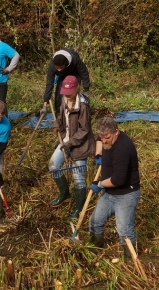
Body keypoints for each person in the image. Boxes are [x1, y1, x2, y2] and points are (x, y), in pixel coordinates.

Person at [88, 117, 141, 260]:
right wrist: (99, 154)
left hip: (126, 194)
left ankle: (131, 263)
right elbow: (99, 140)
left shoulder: (123, 148)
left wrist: (99, 184)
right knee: (95, 223)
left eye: (107, 138)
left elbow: (118, 180)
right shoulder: (105, 138)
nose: (104, 140)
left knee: (124, 231)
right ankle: (95, 255)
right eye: (102, 137)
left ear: (116, 132)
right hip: (109, 192)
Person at [47, 76, 96, 220]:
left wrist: (69, 144)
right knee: (53, 166)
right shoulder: (63, 99)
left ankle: (78, 209)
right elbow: (62, 118)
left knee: (78, 177)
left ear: (76, 89)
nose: (67, 94)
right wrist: (57, 123)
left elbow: (84, 130)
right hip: (65, 140)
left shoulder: (83, 106)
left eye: (69, 92)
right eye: (65, 92)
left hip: (80, 144)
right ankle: (65, 193)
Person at [40, 48, 91, 115]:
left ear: (65, 64)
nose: (58, 70)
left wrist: (86, 89)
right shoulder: (52, 65)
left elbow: (84, 73)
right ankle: (60, 116)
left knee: (72, 95)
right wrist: (45, 105)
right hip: (62, 76)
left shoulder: (74, 59)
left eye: (61, 67)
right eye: (57, 68)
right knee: (59, 96)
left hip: (75, 74)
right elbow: (49, 83)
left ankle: (75, 114)